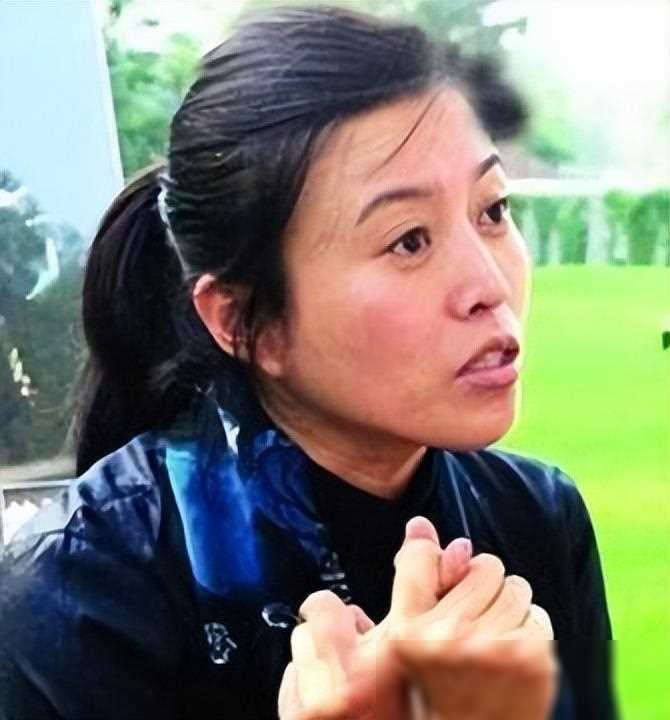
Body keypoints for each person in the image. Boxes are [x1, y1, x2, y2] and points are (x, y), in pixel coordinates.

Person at [0, 6, 617, 719]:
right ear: (243, 322)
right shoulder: (78, 593)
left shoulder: (536, 516)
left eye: (493, 211)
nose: (490, 284)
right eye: (409, 241)